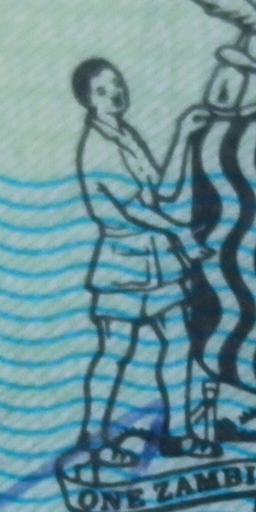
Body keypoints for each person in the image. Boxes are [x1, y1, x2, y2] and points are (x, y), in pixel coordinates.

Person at [70, 56, 184, 458]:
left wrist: (185, 133)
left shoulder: (126, 134)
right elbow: (133, 208)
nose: (115, 93)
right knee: (116, 352)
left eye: (116, 83)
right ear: (88, 100)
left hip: (157, 261)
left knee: (180, 343)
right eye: (102, 91)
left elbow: (159, 190)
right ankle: (95, 440)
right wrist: (180, 232)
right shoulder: (98, 145)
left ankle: (177, 430)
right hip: (122, 263)